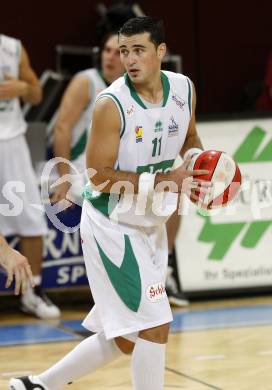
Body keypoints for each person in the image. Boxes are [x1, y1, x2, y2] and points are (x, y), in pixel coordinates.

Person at [9, 16, 211, 390]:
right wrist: (169, 179)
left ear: (160, 52)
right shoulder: (111, 103)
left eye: (139, 51)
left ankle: (37, 385)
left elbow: (190, 137)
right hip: (112, 225)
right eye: (124, 51)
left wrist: (201, 167)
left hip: (150, 223)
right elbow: (99, 176)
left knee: (124, 336)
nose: (129, 60)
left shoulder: (184, 88)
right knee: (153, 325)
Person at [0, 34, 60, 319]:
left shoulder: (13, 47)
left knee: (32, 220)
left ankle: (32, 291)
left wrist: (21, 87)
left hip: (12, 142)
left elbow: (36, 95)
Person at [51, 32, 125, 205]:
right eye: (107, 51)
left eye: (117, 52)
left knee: (166, 199)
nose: (110, 57)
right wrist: (64, 179)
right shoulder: (86, 81)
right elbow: (62, 128)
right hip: (78, 169)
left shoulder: (131, 89)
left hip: (113, 169)